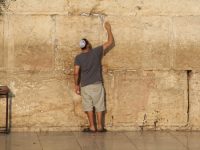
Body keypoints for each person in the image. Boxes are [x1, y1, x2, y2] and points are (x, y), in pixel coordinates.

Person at [74, 22, 114, 132]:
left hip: (85, 86)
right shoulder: (96, 52)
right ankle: (100, 126)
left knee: (88, 106)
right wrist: (108, 29)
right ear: (88, 45)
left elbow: (76, 73)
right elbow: (110, 42)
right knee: (99, 105)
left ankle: (92, 127)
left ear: (81, 47)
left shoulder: (78, 58)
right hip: (97, 84)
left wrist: (76, 85)